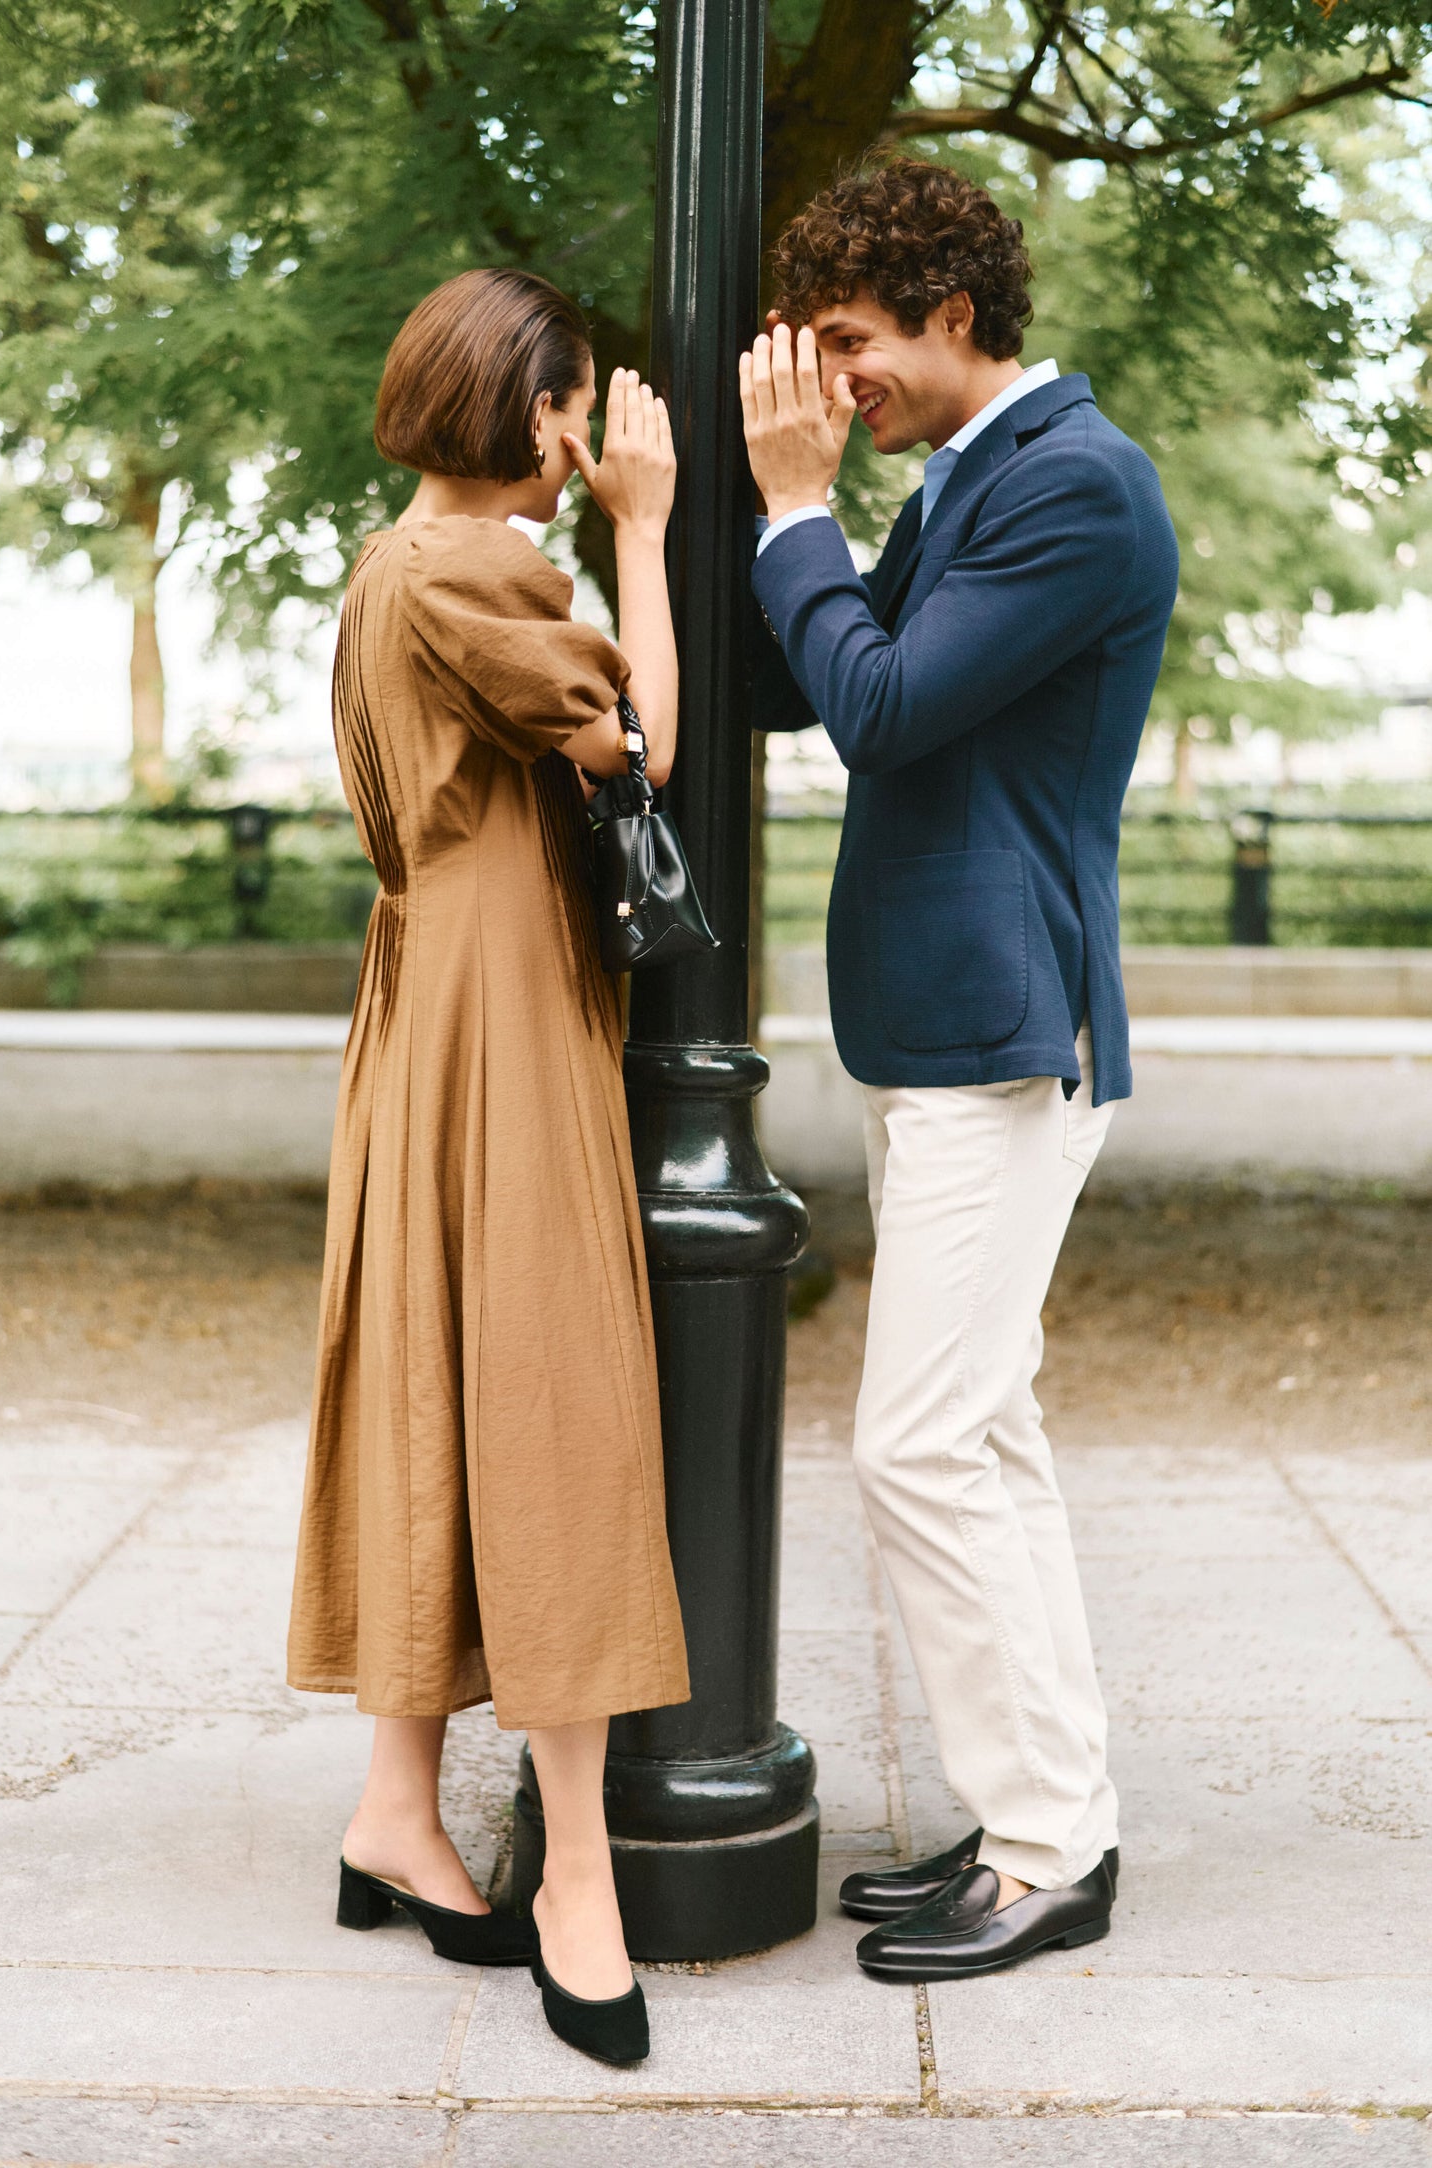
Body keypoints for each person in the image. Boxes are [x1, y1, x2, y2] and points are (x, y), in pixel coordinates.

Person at [740, 161, 1178, 1981]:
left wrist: (794, 515)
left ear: (952, 313)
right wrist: (729, 519)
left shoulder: (1072, 483)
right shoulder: (976, 478)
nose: (837, 381)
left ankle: (1046, 1850)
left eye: (851, 345)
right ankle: (1042, 1816)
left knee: (917, 1444)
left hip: (1006, 1024)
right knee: (983, 1434)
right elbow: (805, 679)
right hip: (942, 1019)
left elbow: (884, 707)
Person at [287, 267, 690, 2065]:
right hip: (503, 1018)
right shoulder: (478, 570)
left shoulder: (391, 561)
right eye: (573, 405)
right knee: (551, 1405)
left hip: (420, 1006)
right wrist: (650, 533)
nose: (587, 436)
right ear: (520, 412)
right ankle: (578, 1874)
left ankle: (397, 1807)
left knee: (436, 1388)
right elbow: (646, 745)